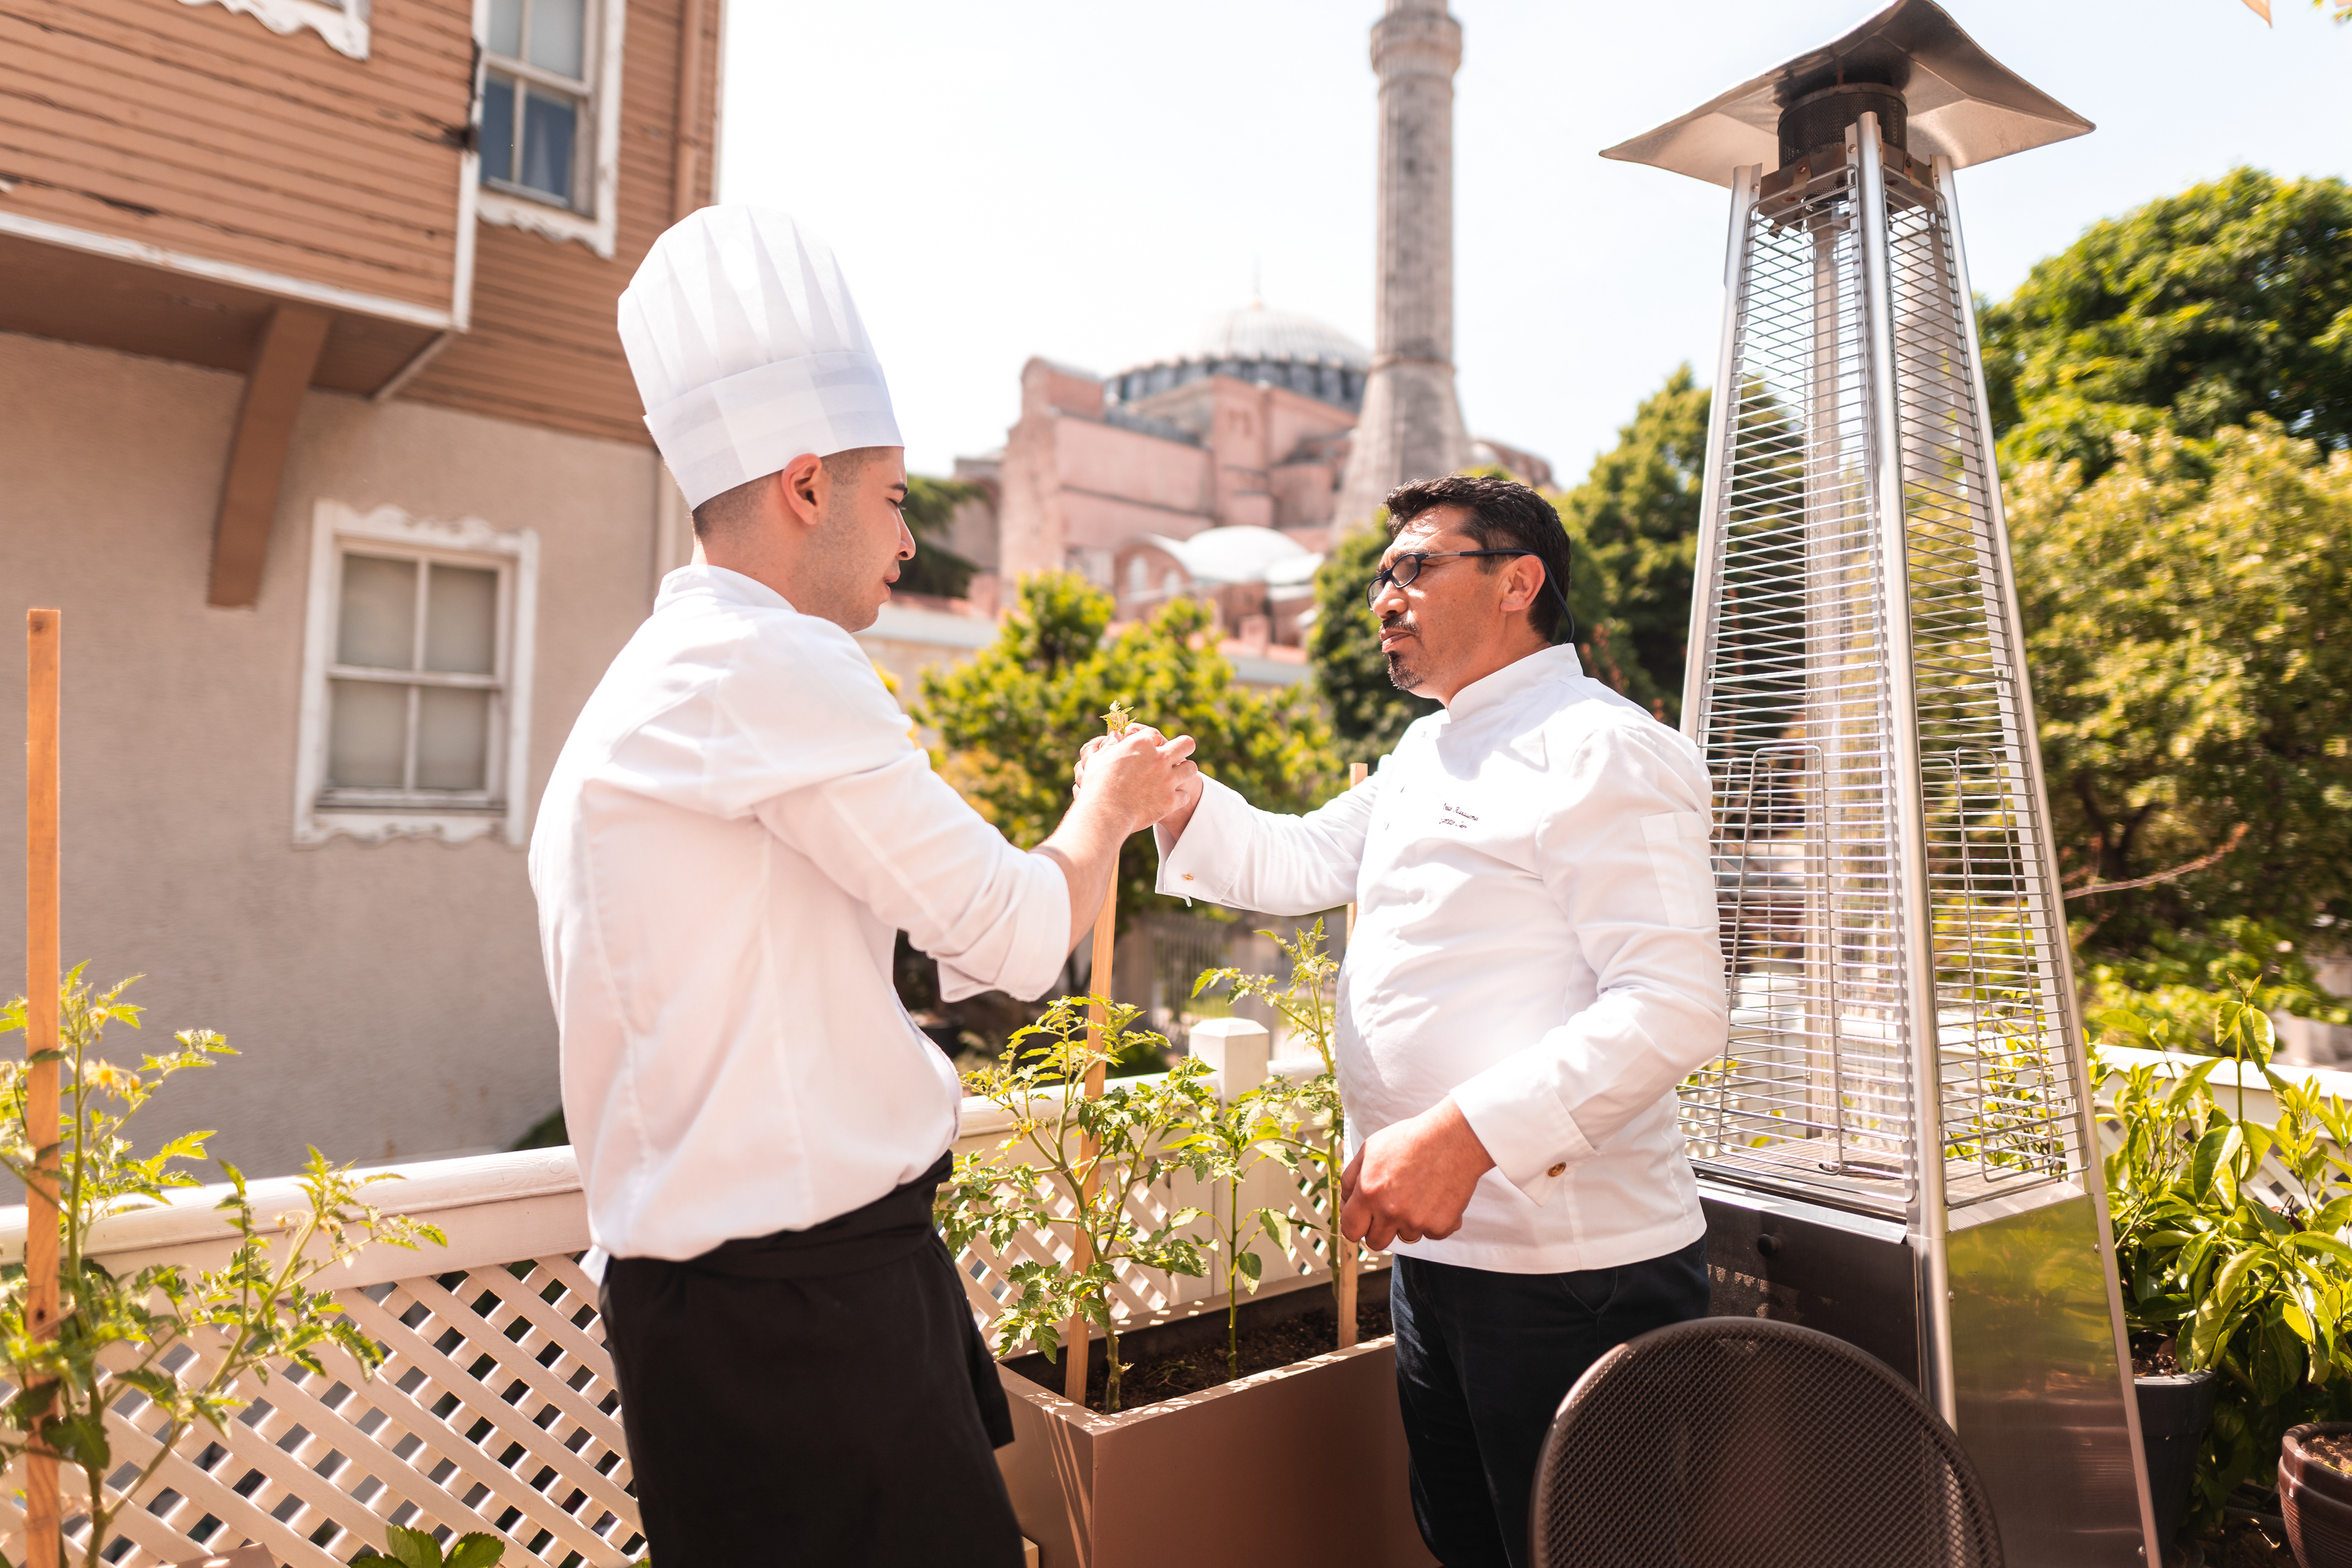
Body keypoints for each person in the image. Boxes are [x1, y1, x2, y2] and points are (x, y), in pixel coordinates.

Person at [528, 206, 1195, 1566]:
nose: (907, 540)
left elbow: (916, 927)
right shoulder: (766, 664)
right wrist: (1109, 805)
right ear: (804, 486)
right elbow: (1015, 931)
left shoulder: (667, 677)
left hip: (747, 1310)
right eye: (893, 499)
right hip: (800, 1319)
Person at [1128, 473, 1727, 1568]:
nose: (1383, 597)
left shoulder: (1601, 745)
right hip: (1439, 1253)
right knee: (1466, 1543)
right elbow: (1303, 857)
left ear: (1518, 583)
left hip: (1571, 1272)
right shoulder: (1426, 748)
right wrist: (1182, 803)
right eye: (1379, 576)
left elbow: (1674, 1005)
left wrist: (1461, 1137)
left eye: (1414, 566)